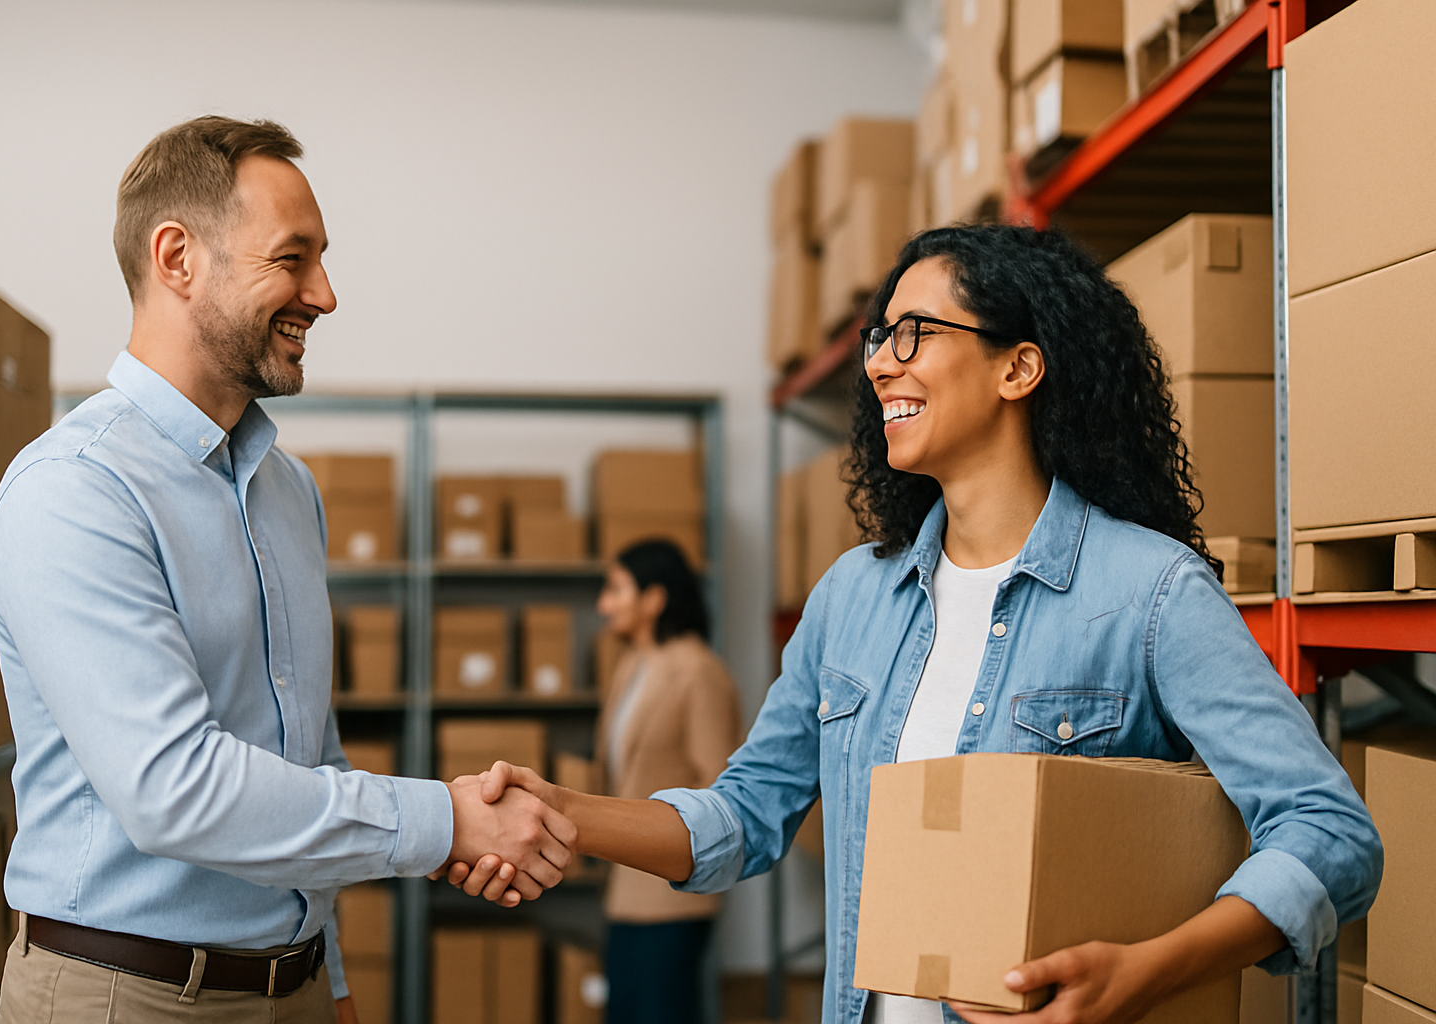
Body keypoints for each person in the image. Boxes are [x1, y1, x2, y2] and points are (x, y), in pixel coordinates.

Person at [445, 225, 1382, 1024]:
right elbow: (743, 816)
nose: (882, 359)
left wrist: (1145, 972)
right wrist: (568, 813)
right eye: (879, 336)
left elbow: (1330, 832)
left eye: (917, 332)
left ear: (1020, 366)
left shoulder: (1149, 591)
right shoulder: (853, 596)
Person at [0, 115, 574, 1024]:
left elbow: (308, 758)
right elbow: (175, 789)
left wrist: (325, 975)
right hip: (124, 997)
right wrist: (449, 823)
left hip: (286, 985)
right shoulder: (75, 491)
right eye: (292, 258)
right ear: (177, 257)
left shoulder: (287, 492)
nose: (325, 295)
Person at [593, 540, 741, 1024]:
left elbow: (719, 789)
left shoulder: (699, 672)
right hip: (624, 892)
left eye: (616, 589)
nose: (604, 604)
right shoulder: (632, 665)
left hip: (671, 897)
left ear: (654, 599)